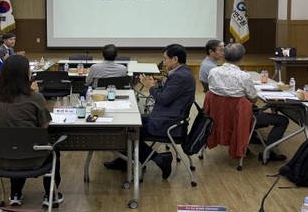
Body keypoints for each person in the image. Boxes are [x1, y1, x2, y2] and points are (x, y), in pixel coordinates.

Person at [105, 44, 195, 179]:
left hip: (169, 123)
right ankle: (126, 160)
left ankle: (158, 159)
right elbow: (168, 94)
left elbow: (164, 99)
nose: (164, 62)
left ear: (175, 59)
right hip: (166, 116)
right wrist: (156, 85)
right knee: (130, 122)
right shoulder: (182, 72)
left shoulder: (180, 76)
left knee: (127, 131)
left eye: (165, 59)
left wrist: (151, 87)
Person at [0, 55, 61, 207]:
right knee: (54, 150)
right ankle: (50, 195)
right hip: (34, 158)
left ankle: (15, 194)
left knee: (14, 144)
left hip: (2, 158)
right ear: (25, 75)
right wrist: (35, 94)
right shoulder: (35, 97)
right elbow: (44, 127)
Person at [208, 43, 289, 162]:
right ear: (242, 58)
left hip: (217, 116)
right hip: (240, 117)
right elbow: (253, 99)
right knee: (282, 120)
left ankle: (249, 140)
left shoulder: (213, 72)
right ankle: (268, 153)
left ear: (224, 56)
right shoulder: (244, 76)